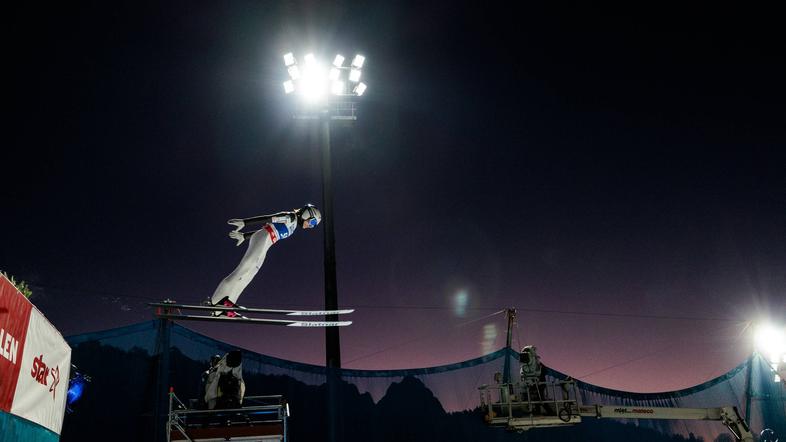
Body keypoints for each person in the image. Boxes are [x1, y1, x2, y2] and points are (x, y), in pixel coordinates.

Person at [207, 204, 321, 316]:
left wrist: (244, 236)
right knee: (242, 270)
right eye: (312, 222)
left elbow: (268, 228)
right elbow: (267, 218)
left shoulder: (294, 225)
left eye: (314, 225)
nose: (310, 226)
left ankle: (228, 306)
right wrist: (244, 222)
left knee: (248, 276)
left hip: (266, 243)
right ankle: (215, 302)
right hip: (262, 239)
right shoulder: (290, 217)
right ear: (306, 214)